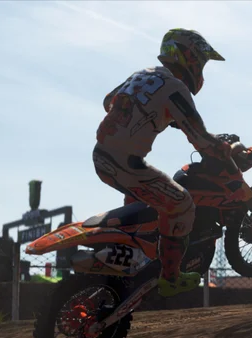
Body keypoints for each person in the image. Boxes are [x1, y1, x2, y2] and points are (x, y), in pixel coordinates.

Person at [92, 29, 235, 297]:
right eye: (201, 63)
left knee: (145, 203)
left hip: (101, 156)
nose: (201, 70)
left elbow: (108, 101)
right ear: (189, 58)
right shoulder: (176, 88)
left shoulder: (142, 74)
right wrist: (221, 147)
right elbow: (201, 139)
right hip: (126, 165)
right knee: (182, 205)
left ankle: (133, 255)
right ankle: (171, 277)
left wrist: (151, 114)